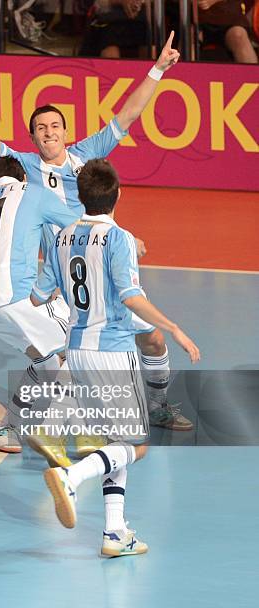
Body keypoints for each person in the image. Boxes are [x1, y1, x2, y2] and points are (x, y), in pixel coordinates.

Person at [0, 32, 191, 450]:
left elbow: (128, 115)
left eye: (54, 125)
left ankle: (156, 405)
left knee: (153, 339)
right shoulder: (24, 170)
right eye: (40, 128)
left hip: (105, 265)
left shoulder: (86, 155)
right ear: (32, 138)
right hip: (63, 279)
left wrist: (157, 70)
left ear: (65, 132)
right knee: (63, 359)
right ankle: (40, 426)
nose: (48, 132)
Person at [30, 158, 200, 556]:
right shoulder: (119, 238)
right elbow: (130, 296)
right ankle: (72, 477)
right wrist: (173, 327)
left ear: (80, 197)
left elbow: (40, 295)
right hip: (112, 351)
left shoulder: (61, 237)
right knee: (137, 445)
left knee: (114, 442)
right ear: (118, 194)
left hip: (78, 352)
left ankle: (114, 531)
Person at [0, 155, 78, 453]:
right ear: (22, 177)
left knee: (47, 361)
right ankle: (58, 431)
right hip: (19, 297)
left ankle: (6, 429)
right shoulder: (33, 193)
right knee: (78, 348)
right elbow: (81, 229)